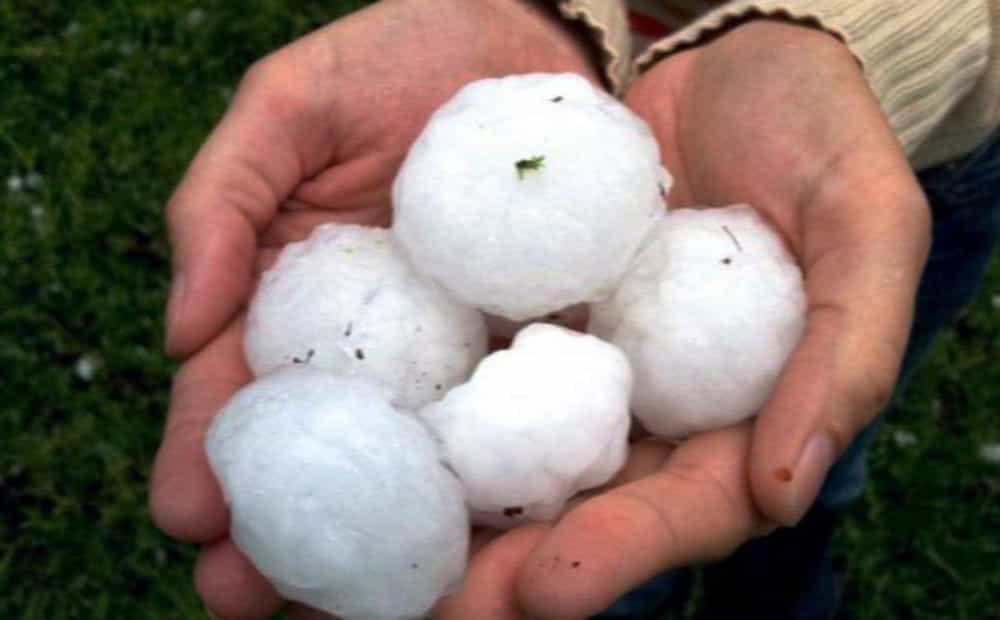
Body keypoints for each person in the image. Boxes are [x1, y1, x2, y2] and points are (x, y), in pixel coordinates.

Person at [148, 0, 1000, 617]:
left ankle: (788, 575)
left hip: (930, 129)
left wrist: (858, 31)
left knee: (820, 448)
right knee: (612, 561)